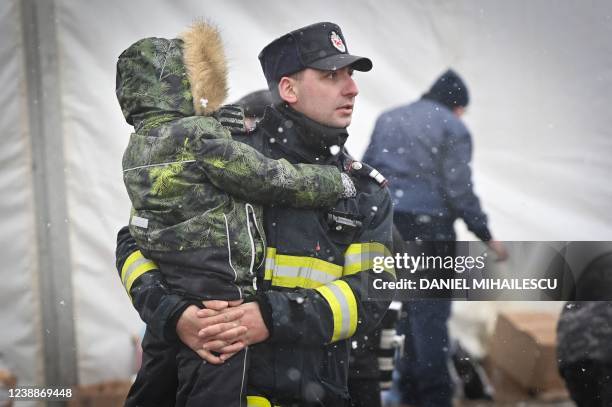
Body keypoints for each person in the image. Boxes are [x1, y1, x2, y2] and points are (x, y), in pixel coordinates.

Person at [115, 21, 396, 407]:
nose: (352, 88)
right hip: (194, 385)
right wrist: (176, 316)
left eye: (349, 75)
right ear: (288, 88)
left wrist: (272, 317)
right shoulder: (221, 154)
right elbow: (135, 242)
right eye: (332, 76)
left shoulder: (363, 191)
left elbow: (371, 295)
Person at [362, 69, 507, 407]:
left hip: (385, 227)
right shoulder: (453, 127)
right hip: (430, 230)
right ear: (457, 106)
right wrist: (486, 235)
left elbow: (368, 173)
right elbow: (459, 191)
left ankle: (399, 396)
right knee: (429, 324)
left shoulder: (389, 117)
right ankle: (432, 399)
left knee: (396, 316)